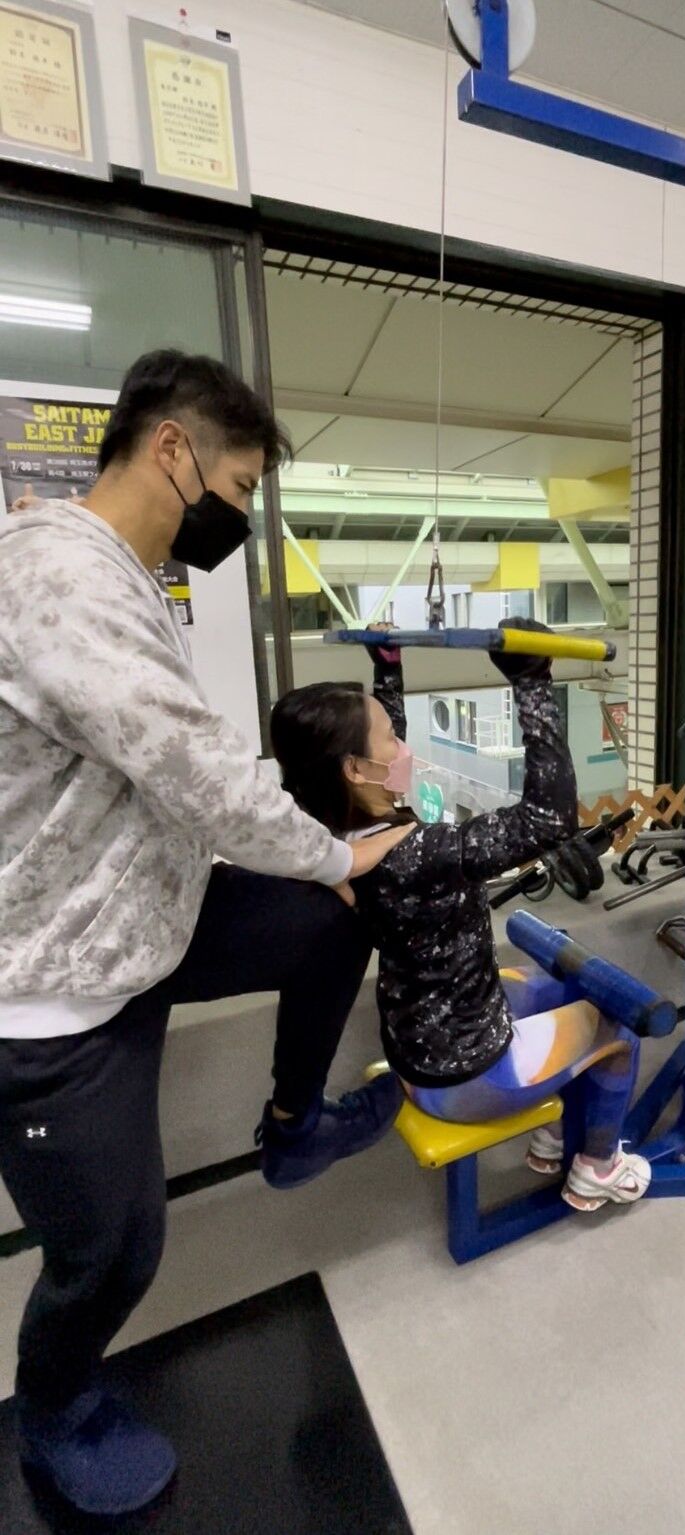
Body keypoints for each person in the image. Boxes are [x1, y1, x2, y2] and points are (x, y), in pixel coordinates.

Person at [0, 351, 410, 1518]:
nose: (237, 513)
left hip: (147, 921)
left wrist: (330, 871)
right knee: (111, 1251)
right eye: (237, 486)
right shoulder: (66, 581)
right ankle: (57, 1414)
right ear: (171, 449)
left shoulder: (109, 569)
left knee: (326, 922)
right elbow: (198, 772)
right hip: (53, 987)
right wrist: (336, 848)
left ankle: (293, 1126)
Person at [270, 619, 651, 1213]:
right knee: (619, 1027)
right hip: (470, 1079)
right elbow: (549, 821)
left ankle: (554, 1138)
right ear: (356, 769)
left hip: (421, 1044)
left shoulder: (323, 830)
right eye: (390, 739)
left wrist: (388, 670)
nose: (402, 747)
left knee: (564, 984)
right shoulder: (419, 854)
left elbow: (372, 753)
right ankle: (597, 1168)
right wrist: (534, 685)